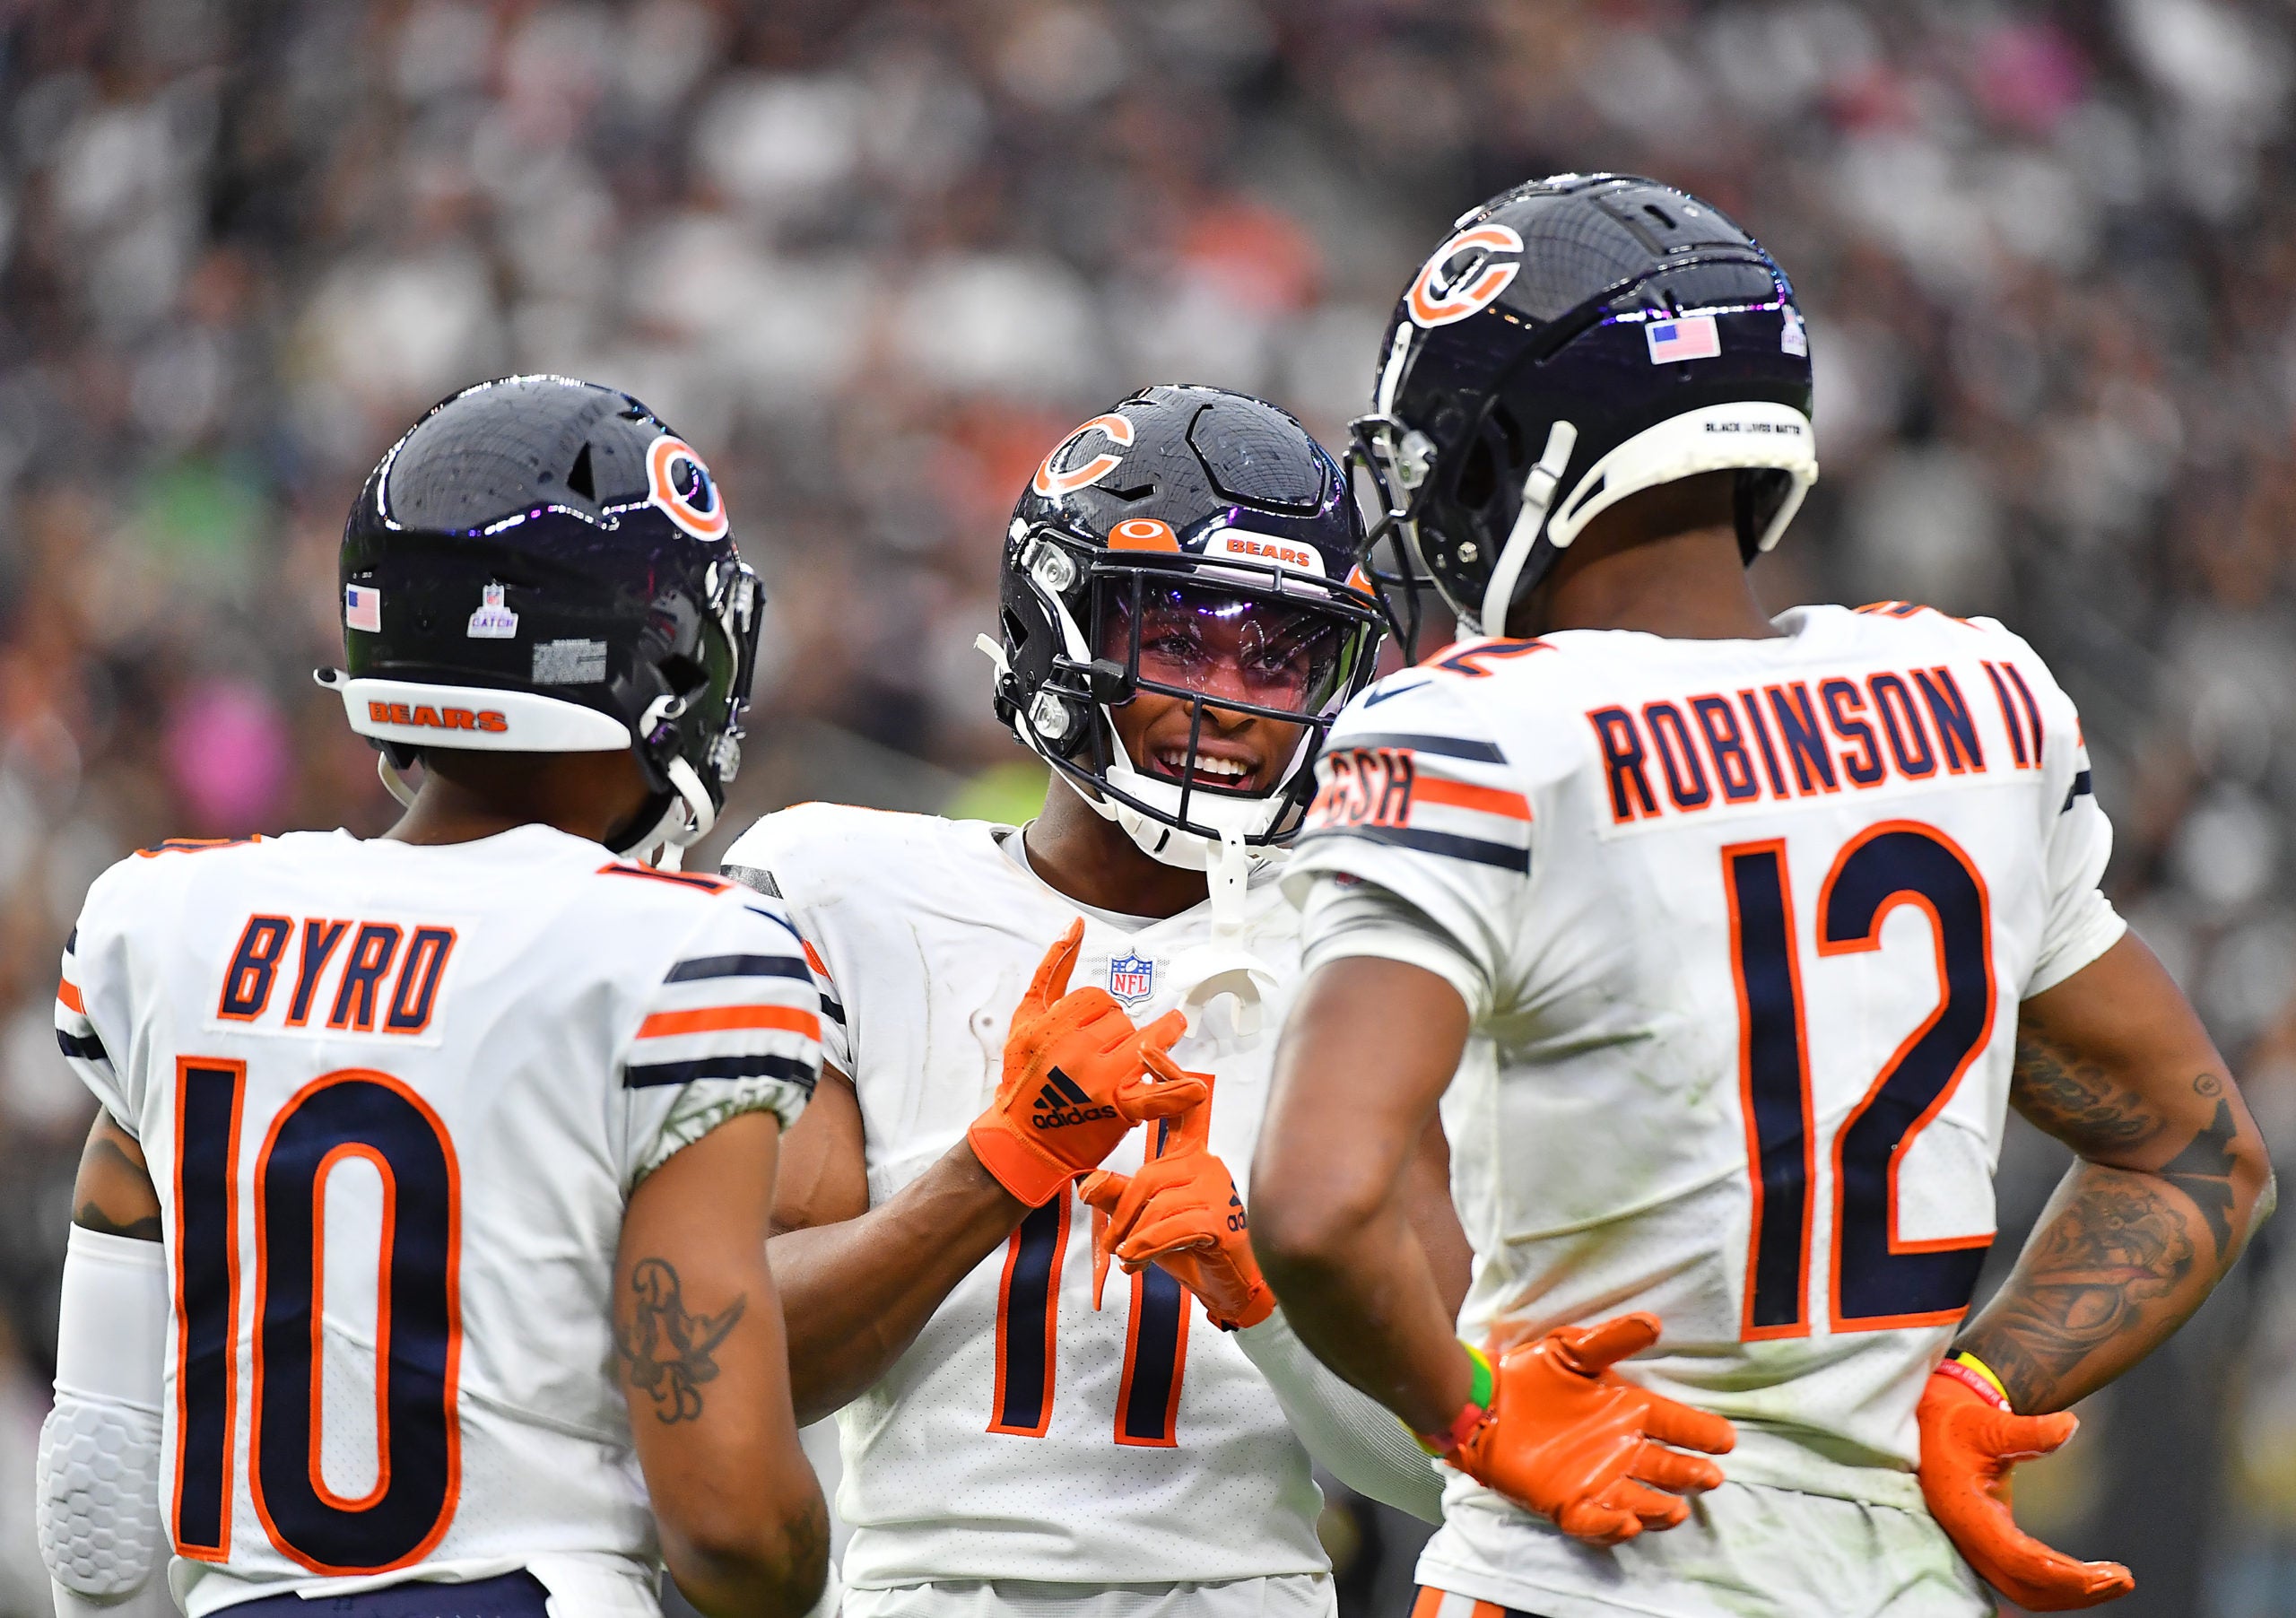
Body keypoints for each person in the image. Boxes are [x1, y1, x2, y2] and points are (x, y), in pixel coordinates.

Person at [1242, 174, 2277, 1618]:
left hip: (1587, 1572)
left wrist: (1472, 1412)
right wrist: (1987, 1384)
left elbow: (1316, 1202)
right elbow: (2193, 1153)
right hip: (1901, 1580)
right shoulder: (1979, 699)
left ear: (1526, 454)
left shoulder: (1482, 734)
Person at [39, 377, 831, 1618]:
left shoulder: (170, 923)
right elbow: (731, 1523)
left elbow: (92, 1506)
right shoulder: (674, 953)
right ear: (652, 660)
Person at [718, 383, 1468, 1618]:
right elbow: (750, 1363)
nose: (1231, 698)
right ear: (1052, 625)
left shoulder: (1363, 942)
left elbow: (1451, 1472)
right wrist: (999, 1164)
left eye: (1278, 657)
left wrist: (1269, 1302)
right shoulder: (839, 886)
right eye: (1178, 639)